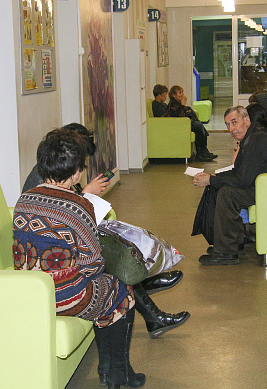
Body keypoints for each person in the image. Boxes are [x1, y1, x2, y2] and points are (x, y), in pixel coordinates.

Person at [22, 123, 190, 340]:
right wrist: (85, 196)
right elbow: (92, 264)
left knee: (115, 256)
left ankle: (145, 286)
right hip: (65, 287)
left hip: (39, 275)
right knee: (115, 264)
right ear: (75, 170)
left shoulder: (28, 197)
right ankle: (144, 286)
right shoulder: (72, 203)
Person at [13, 129, 145, 388]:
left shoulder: (24, 200)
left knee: (103, 287)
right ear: (76, 173)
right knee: (121, 290)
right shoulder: (77, 206)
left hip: (31, 292)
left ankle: (107, 369)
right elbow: (93, 264)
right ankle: (118, 373)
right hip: (64, 296)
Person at [192, 106, 267, 266]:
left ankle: (226, 252)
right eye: (227, 125)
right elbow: (239, 171)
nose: (231, 129)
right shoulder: (251, 139)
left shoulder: (256, 141)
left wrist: (211, 180)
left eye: (234, 122)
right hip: (265, 186)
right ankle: (233, 243)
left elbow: (242, 180)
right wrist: (215, 177)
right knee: (221, 187)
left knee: (227, 194)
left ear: (247, 120)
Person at [164, 85, 217, 162]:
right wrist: (183, 104)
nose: (182, 94)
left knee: (199, 125)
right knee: (198, 126)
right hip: (178, 125)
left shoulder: (177, 103)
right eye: (179, 92)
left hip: (183, 123)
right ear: (173, 95)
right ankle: (201, 153)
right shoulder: (173, 104)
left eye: (182, 92)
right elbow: (181, 115)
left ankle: (204, 151)